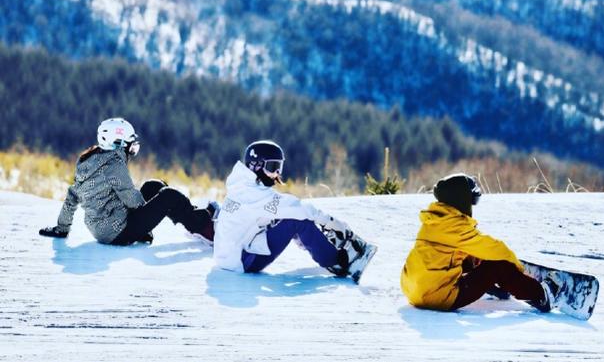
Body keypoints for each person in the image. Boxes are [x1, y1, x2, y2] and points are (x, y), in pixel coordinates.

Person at [400, 173, 562, 313]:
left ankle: (495, 288)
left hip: (414, 291)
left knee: (469, 256)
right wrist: (516, 267)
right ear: (461, 200)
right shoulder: (456, 228)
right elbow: (495, 249)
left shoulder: (434, 221)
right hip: (437, 298)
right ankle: (541, 296)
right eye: (472, 200)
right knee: (498, 266)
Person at [39, 117, 214, 246]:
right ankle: (205, 227)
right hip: (118, 232)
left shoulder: (88, 159)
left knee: (152, 186)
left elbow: (72, 197)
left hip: (104, 227)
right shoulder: (114, 164)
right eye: (131, 145)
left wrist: (62, 228)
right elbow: (131, 199)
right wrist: (146, 223)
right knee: (168, 196)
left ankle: (194, 221)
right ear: (118, 143)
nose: (132, 150)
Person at [213, 140, 367, 276]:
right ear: (256, 165)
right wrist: (330, 221)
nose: (277, 174)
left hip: (229, 258)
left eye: (279, 167)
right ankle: (335, 262)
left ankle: (317, 246)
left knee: (286, 218)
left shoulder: (240, 187)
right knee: (297, 221)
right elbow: (296, 208)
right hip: (241, 261)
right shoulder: (254, 195)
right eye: (273, 167)